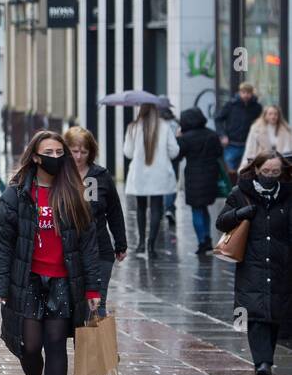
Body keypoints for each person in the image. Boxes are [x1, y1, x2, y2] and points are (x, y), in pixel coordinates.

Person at [0, 130, 101, 375]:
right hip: (28, 280)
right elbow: (1, 241)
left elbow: (89, 244)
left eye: (58, 152)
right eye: (48, 153)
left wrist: (93, 290)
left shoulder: (73, 192)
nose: (55, 158)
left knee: (55, 345)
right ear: (35, 157)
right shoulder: (17, 193)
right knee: (29, 346)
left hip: (63, 281)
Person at [216, 151, 292, 375]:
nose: (270, 176)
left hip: (281, 264)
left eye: (275, 172)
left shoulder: (288, 194)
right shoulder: (241, 193)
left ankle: (265, 359)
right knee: (255, 314)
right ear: (257, 170)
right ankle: (263, 362)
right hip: (251, 263)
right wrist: (240, 214)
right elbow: (221, 222)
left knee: (276, 313)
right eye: (266, 171)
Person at [64, 126, 126, 315]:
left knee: (97, 301)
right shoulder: (59, 175)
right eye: (74, 151)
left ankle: (94, 344)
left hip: (100, 247)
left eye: (84, 151)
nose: (79, 156)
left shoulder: (101, 176)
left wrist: (120, 243)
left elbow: (114, 211)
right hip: (68, 248)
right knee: (71, 302)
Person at [123, 102, 180, 258]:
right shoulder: (165, 126)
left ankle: (141, 243)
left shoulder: (132, 127)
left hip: (139, 174)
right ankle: (151, 245)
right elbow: (174, 151)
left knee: (141, 208)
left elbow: (128, 153)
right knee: (156, 208)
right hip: (159, 174)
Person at [176, 107, 224, 254]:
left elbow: (178, 156)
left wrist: (178, 138)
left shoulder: (185, 138)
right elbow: (219, 153)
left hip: (193, 175)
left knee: (197, 209)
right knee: (204, 208)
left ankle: (202, 242)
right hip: (210, 174)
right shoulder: (212, 134)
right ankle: (208, 238)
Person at [216, 82, 262, 174]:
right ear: (239, 92)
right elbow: (218, 119)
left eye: (248, 93)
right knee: (230, 173)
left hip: (249, 145)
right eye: (243, 92)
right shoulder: (231, 105)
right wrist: (222, 135)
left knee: (247, 172)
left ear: (252, 93)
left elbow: (261, 124)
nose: (246, 95)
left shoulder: (257, 107)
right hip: (231, 145)